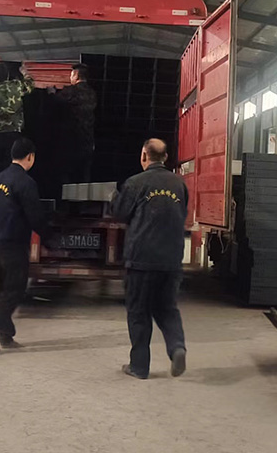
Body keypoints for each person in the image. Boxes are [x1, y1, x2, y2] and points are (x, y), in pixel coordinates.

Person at [111, 138, 189, 380]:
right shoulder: (179, 184)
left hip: (141, 259)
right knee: (167, 308)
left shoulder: (135, 183)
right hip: (171, 259)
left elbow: (120, 214)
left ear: (144, 156)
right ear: (165, 158)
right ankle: (177, 348)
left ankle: (139, 366)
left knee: (138, 312)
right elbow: (182, 214)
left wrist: (114, 197)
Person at [0, 137, 52, 352]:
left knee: (1, 291)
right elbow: (35, 216)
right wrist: (49, 238)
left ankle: (6, 336)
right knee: (14, 290)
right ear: (30, 157)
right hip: (12, 244)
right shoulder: (26, 183)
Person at [0, 62, 34, 179]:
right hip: (13, 131)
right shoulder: (15, 86)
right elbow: (30, 85)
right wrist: (25, 73)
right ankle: (10, 188)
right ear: (7, 75)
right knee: (11, 165)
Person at [54, 63, 97, 184]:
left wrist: (52, 92)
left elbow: (56, 101)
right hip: (88, 141)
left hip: (71, 141)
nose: (70, 78)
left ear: (76, 76)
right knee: (84, 175)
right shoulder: (92, 93)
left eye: (71, 75)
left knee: (67, 175)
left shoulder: (70, 92)